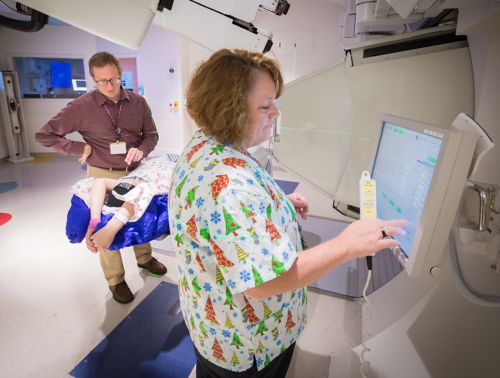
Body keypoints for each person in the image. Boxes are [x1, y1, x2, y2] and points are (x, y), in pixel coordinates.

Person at [168, 49, 408, 377]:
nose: (276, 112)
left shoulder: (206, 146)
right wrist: (347, 244)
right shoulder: (231, 188)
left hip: (212, 326)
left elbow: (222, 221)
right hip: (247, 344)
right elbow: (265, 281)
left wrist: (276, 204)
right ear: (230, 110)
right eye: (265, 106)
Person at [36, 51, 167, 304]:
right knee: (106, 224)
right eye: (102, 81)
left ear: (120, 75)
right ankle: (116, 279)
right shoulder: (81, 107)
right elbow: (45, 135)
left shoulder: (138, 103)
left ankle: (145, 257)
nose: (109, 86)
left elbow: (151, 134)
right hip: (101, 172)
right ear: (93, 80)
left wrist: (143, 148)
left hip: (137, 171)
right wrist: (78, 148)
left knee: (139, 215)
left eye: (114, 80)